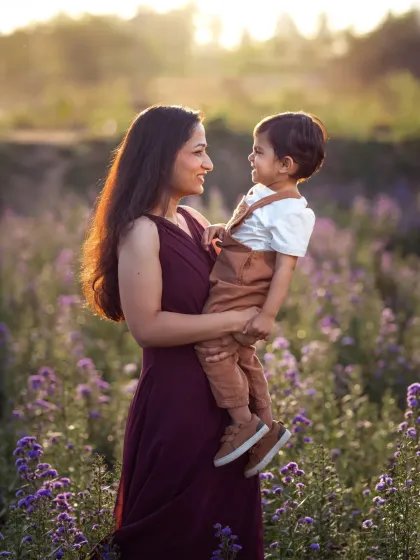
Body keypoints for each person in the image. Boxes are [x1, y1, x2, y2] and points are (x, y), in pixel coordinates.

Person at [81, 105, 264, 559]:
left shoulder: (195, 221)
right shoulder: (141, 231)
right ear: (163, 156)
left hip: (223, 402)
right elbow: (147, 327)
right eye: (198, 152)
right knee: (172, 535)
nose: (209, 163)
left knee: (226, 529)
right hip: (178, 406)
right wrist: (232, 322)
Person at [198, 111, 327, 478]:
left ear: (285, 165)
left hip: (240, 290)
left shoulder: (293, 211)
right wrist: (225, 230)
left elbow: (284, 267)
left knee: (212, 348)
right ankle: (268, 427)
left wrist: (267, 315)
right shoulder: (264, 193)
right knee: (241, 354)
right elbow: (254, 236)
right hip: (231, 281)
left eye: (259, 152)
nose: (251, 158)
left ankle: (243, 421)